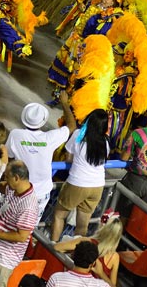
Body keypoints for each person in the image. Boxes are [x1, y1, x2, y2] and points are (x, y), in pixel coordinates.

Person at [51, 94, 110, 240]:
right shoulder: (106, 142)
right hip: (97, 187)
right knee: (82, 225)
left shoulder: (78, 135)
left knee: (59, 216)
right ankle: (73, 252)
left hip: (78, 183)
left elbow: (69, 157)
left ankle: (52, 248)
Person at [0, 160, 40, 287]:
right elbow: (0, 186)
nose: (5, 180)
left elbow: (22, 236)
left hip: (2, 261)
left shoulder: (28, 206)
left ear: (17, 178)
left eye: (7, 177)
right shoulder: (13, 189)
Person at [8, 101, 70, 215]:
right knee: (29, 227)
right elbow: (71, 127)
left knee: (10, 222)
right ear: (42, 122)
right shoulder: (50, 138)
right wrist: (65, 104)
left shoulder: (15, 134)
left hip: (19, 189)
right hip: (41, 193)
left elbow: (9, 156)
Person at [54, 216, 122, 287]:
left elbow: (57, 247)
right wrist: (101, 274)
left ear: (103, 227)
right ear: (118, 237)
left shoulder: (86, 242)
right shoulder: (114, 257)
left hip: (72, 282)